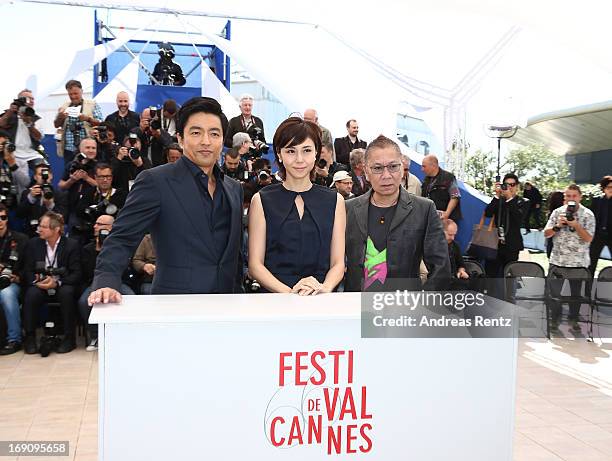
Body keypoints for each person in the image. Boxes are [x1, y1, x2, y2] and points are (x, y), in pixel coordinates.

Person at [89, 96, 244, 305]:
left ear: (222, 139)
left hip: (228, 305)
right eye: (196, 132)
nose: (206, 141)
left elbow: (235, 254)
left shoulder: (233, 188)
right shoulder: (155, 181)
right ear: (180, 138)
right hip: (174, 306)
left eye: (214, 133)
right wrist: (106, 281)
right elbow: (122, 238)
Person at [248, 116, 346, 295]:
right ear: (279, 154)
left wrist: (324, 288)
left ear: (316, 153)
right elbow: (255, 265)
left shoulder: (335, 201)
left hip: (320, 297)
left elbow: (338, 263)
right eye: (291, 151)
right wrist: (290, 294)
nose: (299, 159)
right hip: (274, 299)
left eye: (306, 150)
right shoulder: (261, 200)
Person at [344, 135, 450, 291]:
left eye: (393, 166)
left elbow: (441, 269)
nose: (386, 175)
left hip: (404, 308)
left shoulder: (424, 209)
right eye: (378, 168)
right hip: (355, 307)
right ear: (366, 172)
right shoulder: (348, 209)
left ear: (402, 169)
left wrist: (421, 305)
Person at [22, 212, 82, 354]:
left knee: (67, 293)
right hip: (40, 284)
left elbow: (77, 273)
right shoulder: (33, 244)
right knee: (31, 294)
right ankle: (30, 337)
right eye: (39, 226)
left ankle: (69, 338)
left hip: (62, 284)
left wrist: (57, 282)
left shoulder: (71, 245)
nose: (39, 230)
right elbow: (27, 271)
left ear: (56, 229)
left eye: (44, 227)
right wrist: (37, 281)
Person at [78, 215, 135, 350]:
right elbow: (87, 271)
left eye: (100, 224)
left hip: (120, 282)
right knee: (84, 301)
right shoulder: (87, 248)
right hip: (94, 283)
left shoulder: (121, 247)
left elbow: (128, 269)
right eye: (95, 223)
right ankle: (95, 335)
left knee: (131, 298)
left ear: (111, 228)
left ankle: (127, 335)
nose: (95, 226)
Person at [544, 185, 595, 331]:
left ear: (580, 197)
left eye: (574, 196)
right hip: (557, 261)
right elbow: (546, 233)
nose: (571, 199)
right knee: (554, 294)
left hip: (578, 263)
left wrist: (576, 225)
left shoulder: (588, 215)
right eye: (568, 196)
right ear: (564, 198)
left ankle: (573, 320)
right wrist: (557, 226)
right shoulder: (557, 212)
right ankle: (555, 319)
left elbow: (588, 238)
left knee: (575, 295)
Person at [484, 173, 529, 278]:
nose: (509, 187)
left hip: (512, 246)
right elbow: (488, 213)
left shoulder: (523, 201)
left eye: (512, 185)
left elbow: (519, 219)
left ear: (517, 186)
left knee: (509, 277)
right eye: (506, 185)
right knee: (491, 275)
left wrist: (509, 198)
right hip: (495, 244)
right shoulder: (499, 200)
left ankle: (508, 294)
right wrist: (497, 196)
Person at [0, 89, 45, 187]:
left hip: (32, 153)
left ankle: (40, 194)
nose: (31, 101)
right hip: (13, 152)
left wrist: (29, 124)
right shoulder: (10, 115)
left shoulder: (36, 118)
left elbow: (38, 137)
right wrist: (11, 111)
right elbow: (1, 124)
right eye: (28, 98)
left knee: (44, 171)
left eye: (33, 99)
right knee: (20, 180)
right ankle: (23, 196)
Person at [0, 204, 28, 355]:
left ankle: (14, 339)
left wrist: (17, 277)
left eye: (3, 217)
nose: (0, 221)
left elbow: (28, 266)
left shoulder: (20, 239)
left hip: (12, 282)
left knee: (7, 295)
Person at [54, 80, 103, 164]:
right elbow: (56, 124)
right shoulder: (64, 106)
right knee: (70, 172)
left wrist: (87, 119)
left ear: (82, 91)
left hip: (88, 148)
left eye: (75, 93)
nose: (73, 96)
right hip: (69, 149)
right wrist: (60, 117)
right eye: (70, 94)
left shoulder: (92, 104)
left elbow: (100, 123)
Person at [75, 163, 127, 242]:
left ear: (112, 178)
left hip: (114, 235)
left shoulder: (121, 195)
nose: (105, 180)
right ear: (95, 177)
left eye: (108, 176)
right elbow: (79, 211)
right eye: (101, 177)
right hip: (90, 235)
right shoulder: (89, 193)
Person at [17, 163, 68, 237]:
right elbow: (19, 215)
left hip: (52, 234)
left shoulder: (60, 195)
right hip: (31, 234)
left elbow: (63, 218)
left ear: (51, 176)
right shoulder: (27, 193)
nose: (44, 177)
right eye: (41, 174)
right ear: (35, 177)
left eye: (46, 174)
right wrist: (30, 198)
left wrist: (50, 205)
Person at [421, 154, 462, 221]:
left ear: (433, 166)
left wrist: (447, 214)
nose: (422, 169)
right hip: (431, 218)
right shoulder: (426, 180)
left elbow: (455, 196)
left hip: (446, 220)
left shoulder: (449, 177)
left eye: (424, 166)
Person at [589, 176, 612, 276]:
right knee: (591, 262)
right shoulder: (597, 201)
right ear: (603, 188)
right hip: (598, 235)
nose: (611, 189)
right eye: (608, 187)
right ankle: (587, 288)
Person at [0, 129, 31, 204]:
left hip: (16, 202)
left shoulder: (20, 161)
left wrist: (13, 164)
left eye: (5, 144)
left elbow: (26, 183)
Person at [443, 218, 470, 290]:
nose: (452, 238)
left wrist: (461, 271)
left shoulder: (455, 245)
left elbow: (461, 264)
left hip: (454, 280)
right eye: (450, 235)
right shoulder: (432, 246)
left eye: (454, 235)